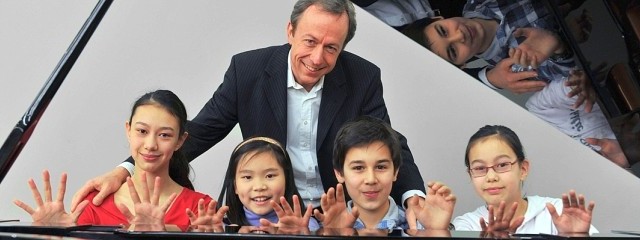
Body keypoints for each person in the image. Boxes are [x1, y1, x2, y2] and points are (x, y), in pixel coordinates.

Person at [72, 0, 428, 226]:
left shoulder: (363, 76)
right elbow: (199, 131)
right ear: (290, 31)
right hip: (268, 210)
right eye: (309, 41)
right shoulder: (249, 70)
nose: (318, 58)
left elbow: (389, 143)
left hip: (339, 214)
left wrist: (413, 196)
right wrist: (128, 167)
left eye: (331, 48)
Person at [401, 0, 628, 167]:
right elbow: (573, 77)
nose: (459, 36)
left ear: (437, 18)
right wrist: (556, 45)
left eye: (443, 30)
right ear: (460, 66)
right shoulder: (514, 67)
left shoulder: (476, 3)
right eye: (453, 51)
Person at [14, 90, 215, 228]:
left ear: (181, 141)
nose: (151, 144)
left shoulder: (202, 209)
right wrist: (53, 237)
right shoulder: (95, 202)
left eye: (165, 135)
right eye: (142, 131)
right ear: (128, 130)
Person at [313, 116, 456, 230]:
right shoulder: (325, 228)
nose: (370, 179)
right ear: (339, 173)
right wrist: (333, 235)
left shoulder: (421, 227)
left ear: (396, 171)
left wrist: (438, 232)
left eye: (380, 167)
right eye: (358, 168)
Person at [452, 125, 598, 234]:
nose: (491, 177)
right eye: (479, 168)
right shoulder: (466, 226)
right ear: (470, 175)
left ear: (523, 169)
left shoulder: (557, 212)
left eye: (502, 165)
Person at [217, 136, 319, 229]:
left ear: (287, 180)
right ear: (235, 186)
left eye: (270, 176)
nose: (259, 187)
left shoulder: (306, 226)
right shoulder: (221, 229)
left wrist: (299, 236)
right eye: (247, 177)